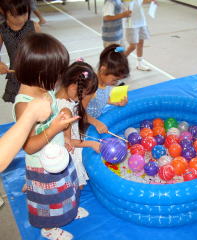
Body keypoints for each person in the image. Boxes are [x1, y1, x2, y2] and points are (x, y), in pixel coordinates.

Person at [13, 32, 88, 240]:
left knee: (67, 187)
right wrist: (55, 129)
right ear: (40, 72)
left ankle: (69, 211)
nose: (58, 81)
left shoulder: (43, 88)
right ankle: (49, 226)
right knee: (50, 199)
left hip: (58, 154)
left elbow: (54, 112)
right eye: (56, 76)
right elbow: (28, 146)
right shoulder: (24, 104)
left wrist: (63, 117)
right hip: (43, 164)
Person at [56, 61, 100, 189]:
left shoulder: (64, 97)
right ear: (73, 86)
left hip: (72, 138)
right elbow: (66, 142)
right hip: (68, 148)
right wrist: (91, 144)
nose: (84, 97)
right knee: (78, 186)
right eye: (83, 92)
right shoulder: (65, 111)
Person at [0, 0, 40, 103]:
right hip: (16, 75)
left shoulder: (34, 26)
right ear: (3, 12)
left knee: (37, 104)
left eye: (24, 14)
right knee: (19, 105)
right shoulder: (2, 30)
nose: (21, 19)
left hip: (35, 74)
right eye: (15, 16)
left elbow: (42, 49)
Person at [86, 44, 129, 131]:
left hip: (95, 120)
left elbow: (99, 99)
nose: (115, 83)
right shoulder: (90, 87)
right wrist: (95, 122)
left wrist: (115, 102)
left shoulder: (106, 83)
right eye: (114, 80)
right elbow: (78, 111)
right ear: (103, 70)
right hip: (83, 123)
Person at [123, 0, 155, 71]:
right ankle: (119, 62)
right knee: (133, 46)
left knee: (140, 43)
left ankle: (139, 64)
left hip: (141, 21)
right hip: (130, 23)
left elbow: (141, 1)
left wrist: (151, 1)